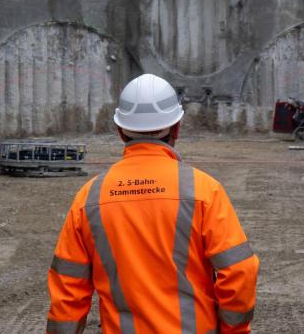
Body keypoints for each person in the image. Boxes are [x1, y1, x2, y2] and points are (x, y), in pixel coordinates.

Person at [47, 74, 259, 334]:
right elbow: (239, 271)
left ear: (120, 131)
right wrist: (233, 330)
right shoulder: (204, 191)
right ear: (177, 127)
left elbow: (68, 290)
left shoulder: (90, 198)